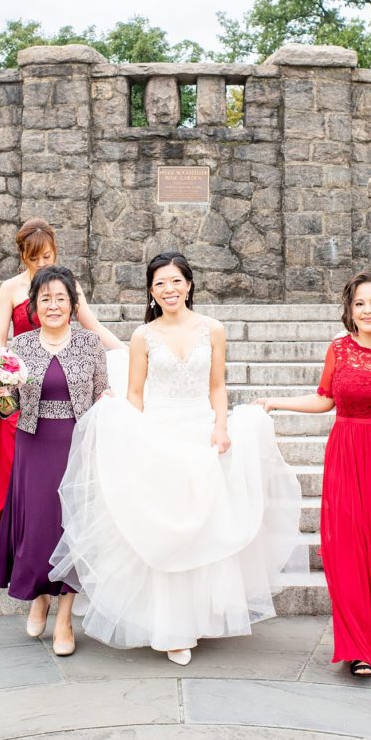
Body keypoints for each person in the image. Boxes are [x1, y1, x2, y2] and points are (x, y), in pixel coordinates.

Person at [50, 251, 302, 665]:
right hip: (159, 433)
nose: (169, 289)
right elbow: (135, 395)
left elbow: (217, 386)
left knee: (201, 526)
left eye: (175, 281)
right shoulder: (142, 336)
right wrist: (134, 438)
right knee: (164, 529)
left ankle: (199, 616)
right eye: (160, 283)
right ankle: (171, 627)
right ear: (151, 291)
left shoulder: (213, 330)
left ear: (189, 284)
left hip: (201, 429)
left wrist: (221, 425)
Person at [257, 270, 371, 677]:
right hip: (348, 456)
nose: (367, 310)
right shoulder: (339, 349)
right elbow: (325, 399)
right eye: (359, 304)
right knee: (347, 550)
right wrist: (275, 402)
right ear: (349, 311)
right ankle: (360, 648)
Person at [0, 217, 123, 551]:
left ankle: (58, 539)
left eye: (48, 256)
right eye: (34, 257)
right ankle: (20, 536)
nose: (42, 263)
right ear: (23, 255)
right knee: (18, 465)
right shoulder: (10, 289)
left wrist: (128, 351)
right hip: (23, 383)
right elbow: (1, 337)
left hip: (62, 379)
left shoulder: (64, 285)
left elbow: (92, 326)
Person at [0, 266, 108, 654]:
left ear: (73, 303)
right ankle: (40, 596)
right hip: (33, 444)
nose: (53, 305)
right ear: (34, 306)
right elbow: (7, 410)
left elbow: (104, 394)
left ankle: (65, 621)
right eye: (45, 299)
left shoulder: (90, 344)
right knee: (39, 527)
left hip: (77, 443)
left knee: (72, 527)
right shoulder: (20, 348)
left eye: (61, 298)